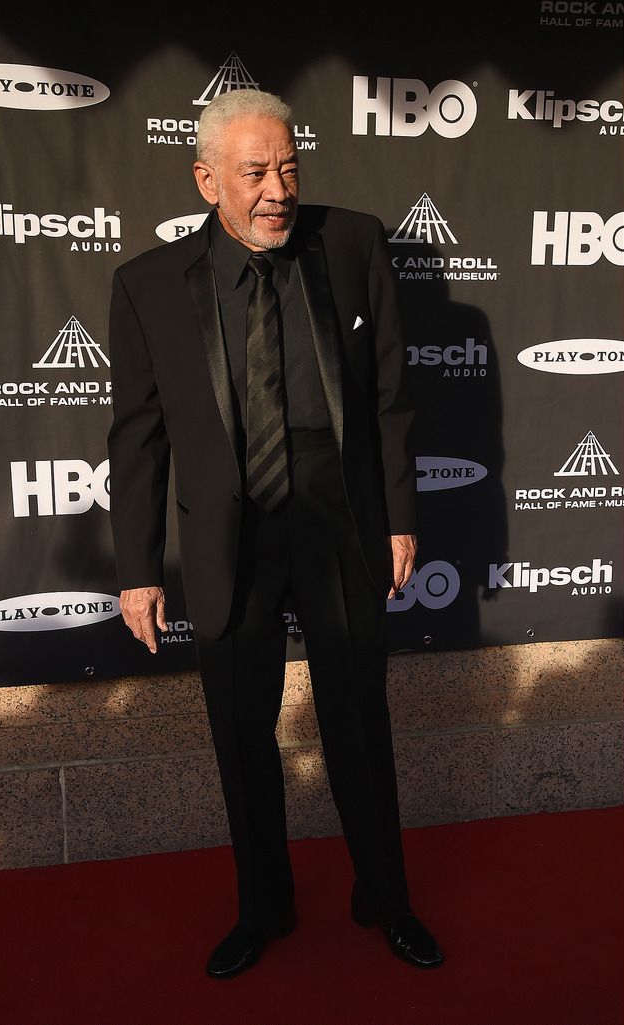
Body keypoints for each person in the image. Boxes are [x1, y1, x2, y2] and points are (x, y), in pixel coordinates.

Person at [107, 89, 444, 978]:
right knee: (240, 732)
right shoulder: (146, 284)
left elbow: (389, 398)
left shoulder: (354, 241)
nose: (277, 190)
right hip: (229, 537)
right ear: (205, 178)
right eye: (255, 172)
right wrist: (137, 567)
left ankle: (386, 896)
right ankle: (264, 907)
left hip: (338, 522)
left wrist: (399, 515)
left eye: (289, 166)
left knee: (358, 723)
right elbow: (136, 437)